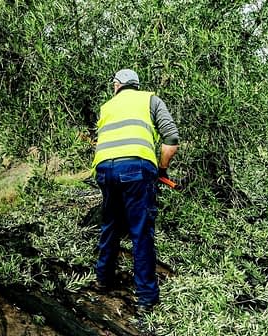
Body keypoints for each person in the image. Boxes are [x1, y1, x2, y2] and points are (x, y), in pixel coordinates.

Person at [91, 68, 179, 312]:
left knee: (110, 224)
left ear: (117, 85)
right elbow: (171, 140)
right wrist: (161, 170)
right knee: (140, 231)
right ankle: (147, 298)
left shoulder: (106, 107)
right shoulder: (150, 99)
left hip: (105, 171)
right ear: (136, 85)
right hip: (137, 170)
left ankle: (102, 280)